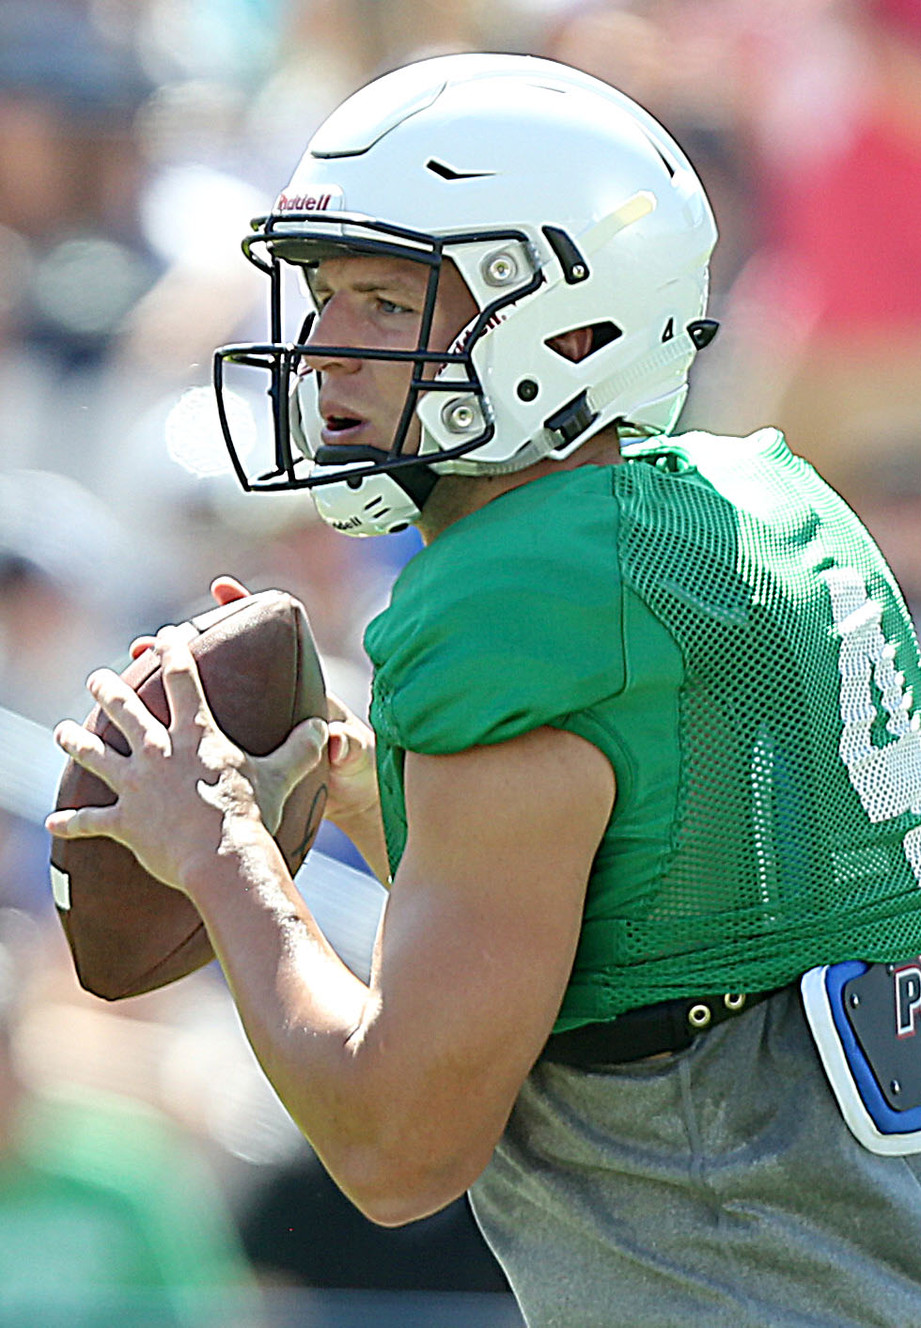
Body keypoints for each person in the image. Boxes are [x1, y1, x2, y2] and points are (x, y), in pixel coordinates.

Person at [46, 54, 921, 1327]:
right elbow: (622, 916)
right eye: (324, 295)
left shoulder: (518, 597)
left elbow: (400, 1145)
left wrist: (219, 846)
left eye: (387, 302)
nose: (326, 350)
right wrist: (362, 788)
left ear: (571, 330)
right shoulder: (763, 508)